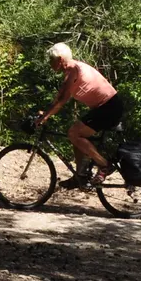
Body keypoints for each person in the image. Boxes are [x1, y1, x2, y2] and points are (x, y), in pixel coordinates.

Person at [36, 42, 125, 187]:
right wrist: (46, 112)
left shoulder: (73, 71)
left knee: (74, 133)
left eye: (51, 60)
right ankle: (80, 176)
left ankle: (104, 165)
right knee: (76, 134)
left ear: (59, 60)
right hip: (107, 106)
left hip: (109, 107)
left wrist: (45, 117)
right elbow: (60, 97)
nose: (50, 63)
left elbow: (61, 100)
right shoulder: (73, 69)